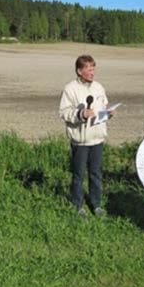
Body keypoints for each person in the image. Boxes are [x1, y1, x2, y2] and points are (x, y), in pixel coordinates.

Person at [59, 55, 116, 218]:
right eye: (89, 69)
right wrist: (81, 113)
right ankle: (78, 207)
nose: (92, 72)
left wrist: (108, 113)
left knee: (96, 174)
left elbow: (102, 107)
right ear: (79, 71)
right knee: (78, 175)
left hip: (97, 139)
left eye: (93, 69)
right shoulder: (70, 89)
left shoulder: (98, 87)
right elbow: (63, 113)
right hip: (80, 141)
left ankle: (96, 205)